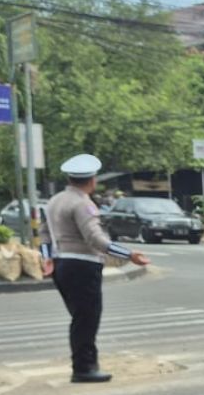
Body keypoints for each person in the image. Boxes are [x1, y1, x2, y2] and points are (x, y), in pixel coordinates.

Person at [45, 154, 151, 383]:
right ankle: (84, 368)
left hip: (61, 263)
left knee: (79, 317)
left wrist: (47, 258)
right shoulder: (83, 203)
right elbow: (95, 239)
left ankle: (85, 364)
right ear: (92, 180)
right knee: (87, 319)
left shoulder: (55, 200)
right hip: (82, 265)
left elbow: (44, 233)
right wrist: (129, 254)